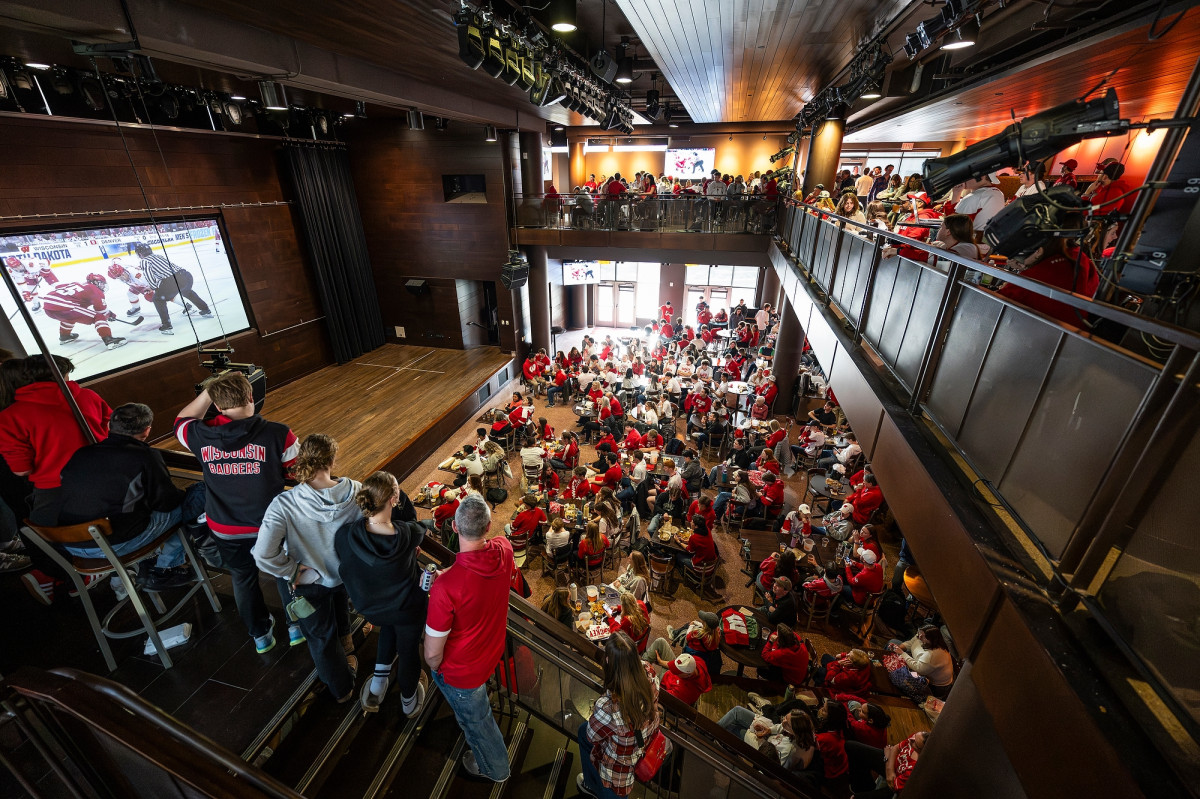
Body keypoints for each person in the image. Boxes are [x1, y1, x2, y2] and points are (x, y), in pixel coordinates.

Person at [175, 371, 299, 653]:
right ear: (252, 397)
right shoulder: (279, 433)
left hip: (225, 527)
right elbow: (296, 471)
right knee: (284, 574)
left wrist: (210, 390)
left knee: (242, 578)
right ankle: (296, 627)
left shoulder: (198, 434)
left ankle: (260, 636)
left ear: (217, 406)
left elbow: (182, 419)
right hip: (270, 524)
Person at [254, 434, 361, 703]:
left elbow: (263, 555)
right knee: (339, 600)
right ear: (332, 460)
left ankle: (342, 689)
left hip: (310, 582)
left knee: (321, 638)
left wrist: (292, 570)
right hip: (347, 575)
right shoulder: (358, 491)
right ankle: (347, 641)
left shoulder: (284, 505)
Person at [55, 402, 205, 591]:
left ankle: (148, 565)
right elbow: (167, 503)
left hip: (71, 544)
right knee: (198, 495)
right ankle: (164, 568)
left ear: (109, 426)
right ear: (147, 431)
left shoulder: (81, 454)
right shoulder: (146, 455)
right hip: (115, 544)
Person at [424, 494, 513, 782]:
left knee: (477, 723)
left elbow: (432, 655)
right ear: (488, 528)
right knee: (479, 716)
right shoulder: (505, 549)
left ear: (454, 528)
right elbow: (473, 569)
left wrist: (436, 670)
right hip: (491, 652)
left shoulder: (444, 589)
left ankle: (496, 769)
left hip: (463, 673)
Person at [0, 355, 111, 525]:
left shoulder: (9, 417)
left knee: (42, 533)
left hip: (54, 489)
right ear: (58, 376)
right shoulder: (88, 395)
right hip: (107, 471)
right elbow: (111, 428)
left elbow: (22, 470)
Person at [577, 632, 664, 799]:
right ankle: (591, 783)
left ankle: (592, 785)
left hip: (618, 769)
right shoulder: (649, 671)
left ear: (609, 661)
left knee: (583, 732)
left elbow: (592, 735)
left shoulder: (609, 706)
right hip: (646, 740)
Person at [998, 234, 1100, 326]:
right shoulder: (1078, 256)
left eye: (1019, 254)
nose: (1014, 260)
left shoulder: (1035, 275)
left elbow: (995, 306)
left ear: (1038, 251)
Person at [133, 241, 213, 335]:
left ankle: (166, 326)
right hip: (186, 275)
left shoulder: (144, 261)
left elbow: (151, 279)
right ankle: (205, 310)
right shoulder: (158, 256)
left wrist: (153, 288)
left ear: (140, 254)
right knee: (186, 291)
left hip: (173, 281)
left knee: (158, 299)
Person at [717, 703, 815, 770]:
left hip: (763, 750)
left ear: (795, 731)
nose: (783, 722)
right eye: (785, 717)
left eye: (787, 724)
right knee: (737, 711)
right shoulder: (801, 728)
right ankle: (713, 731)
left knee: (732, 727)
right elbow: (780, 727)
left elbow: (772, 766)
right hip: (770, 738)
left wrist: (763, 741)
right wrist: (768, 730)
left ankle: (712, 734)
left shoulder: (789, 751)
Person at [41, 273, 127, 349]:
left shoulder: (77, 284)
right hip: (64, 305)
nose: (103, 286)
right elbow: (101, 311)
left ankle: (65, 336)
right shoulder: (95, 290)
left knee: (71, 316)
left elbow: (59, 287)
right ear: (95, 282)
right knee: (98, 316)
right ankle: (109, 340)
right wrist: (110, 315)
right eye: (101, 283)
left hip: (48, 305)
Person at [846, 730, 928, 798]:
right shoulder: (916, 738)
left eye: (914, 743)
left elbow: (892, 786)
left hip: (894, 783)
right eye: (913, 737)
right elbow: (896, 748)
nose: (910, 740)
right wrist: (889, 766)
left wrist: (887, 758)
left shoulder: (915, 768)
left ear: (922, 751)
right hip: (891, 764)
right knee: (850, 746)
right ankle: (863, 786)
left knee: (855, 797)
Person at [886, 624, 955, 697]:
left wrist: (902, 653)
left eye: (922, 636)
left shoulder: (933, 655)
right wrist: (899, 647)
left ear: (931, 639)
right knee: (892, 642)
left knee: (900, 679)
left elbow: (918, 669)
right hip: (918, 662)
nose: (919, 637)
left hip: (934, 685)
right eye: (919, 634)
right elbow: (911, 643)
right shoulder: (921, 635)